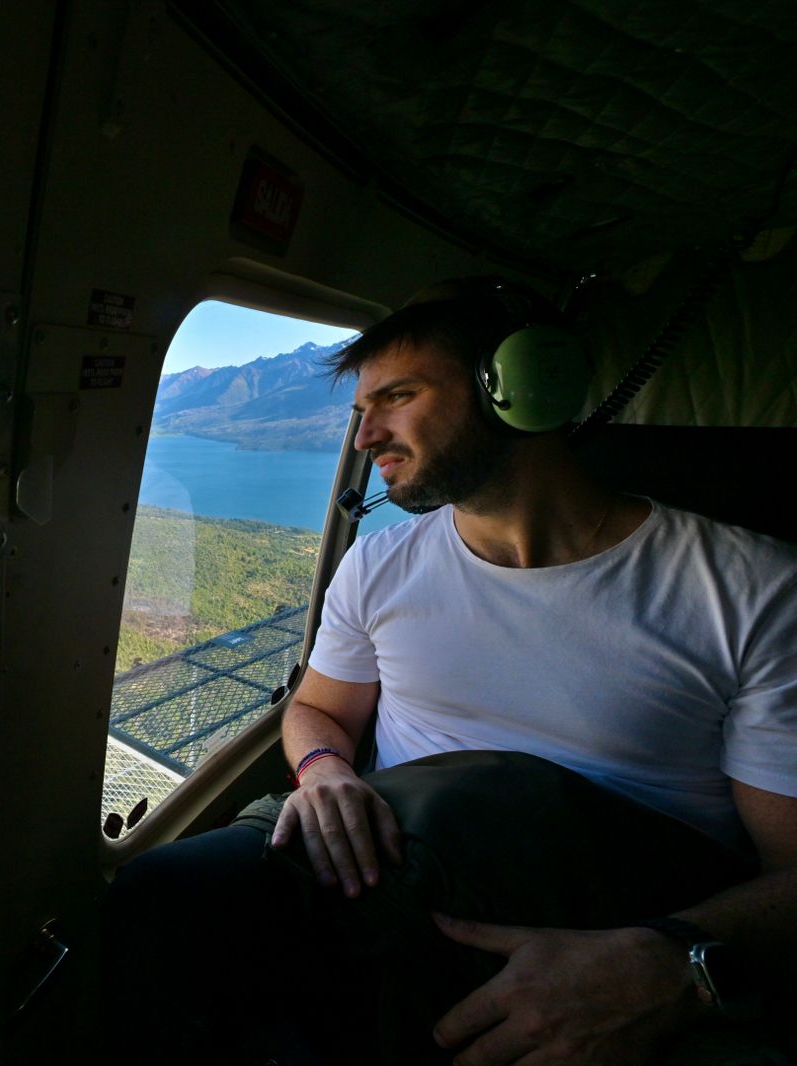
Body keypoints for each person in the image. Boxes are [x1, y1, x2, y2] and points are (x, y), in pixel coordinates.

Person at [100, 280, 797, 1065]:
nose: (366, 437)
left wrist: (671, 965)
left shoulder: (751, 589)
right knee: (158, 899)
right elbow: (317, 709)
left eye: (397, 397)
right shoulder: (379, 562)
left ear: (521, 387)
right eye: (360, 412)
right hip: (398, 870)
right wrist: (325, 771)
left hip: (617, 913)